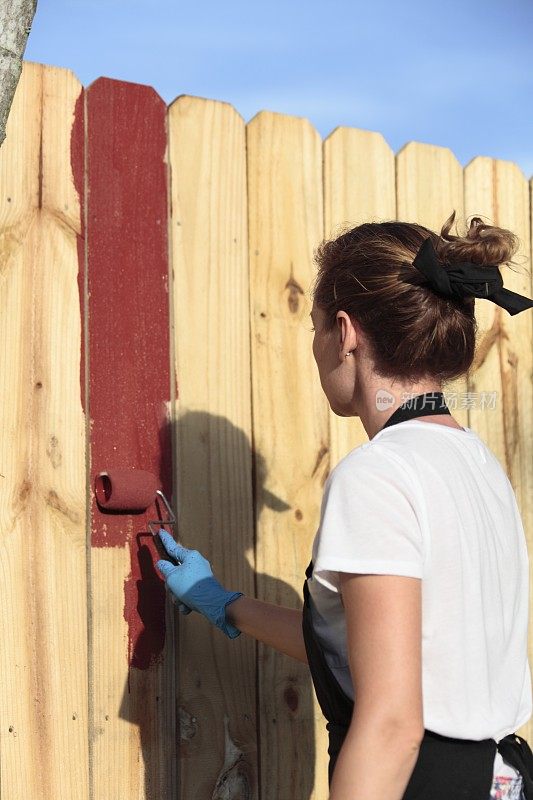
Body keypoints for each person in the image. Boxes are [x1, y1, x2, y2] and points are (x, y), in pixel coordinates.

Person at [156, 211, 533, 800]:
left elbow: (392, 723)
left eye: (313, 327)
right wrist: (224, 604)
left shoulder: (379, 474)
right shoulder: (480, 467)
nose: (313, 348)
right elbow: (393, 649)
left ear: (345, 331)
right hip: (502, 779)